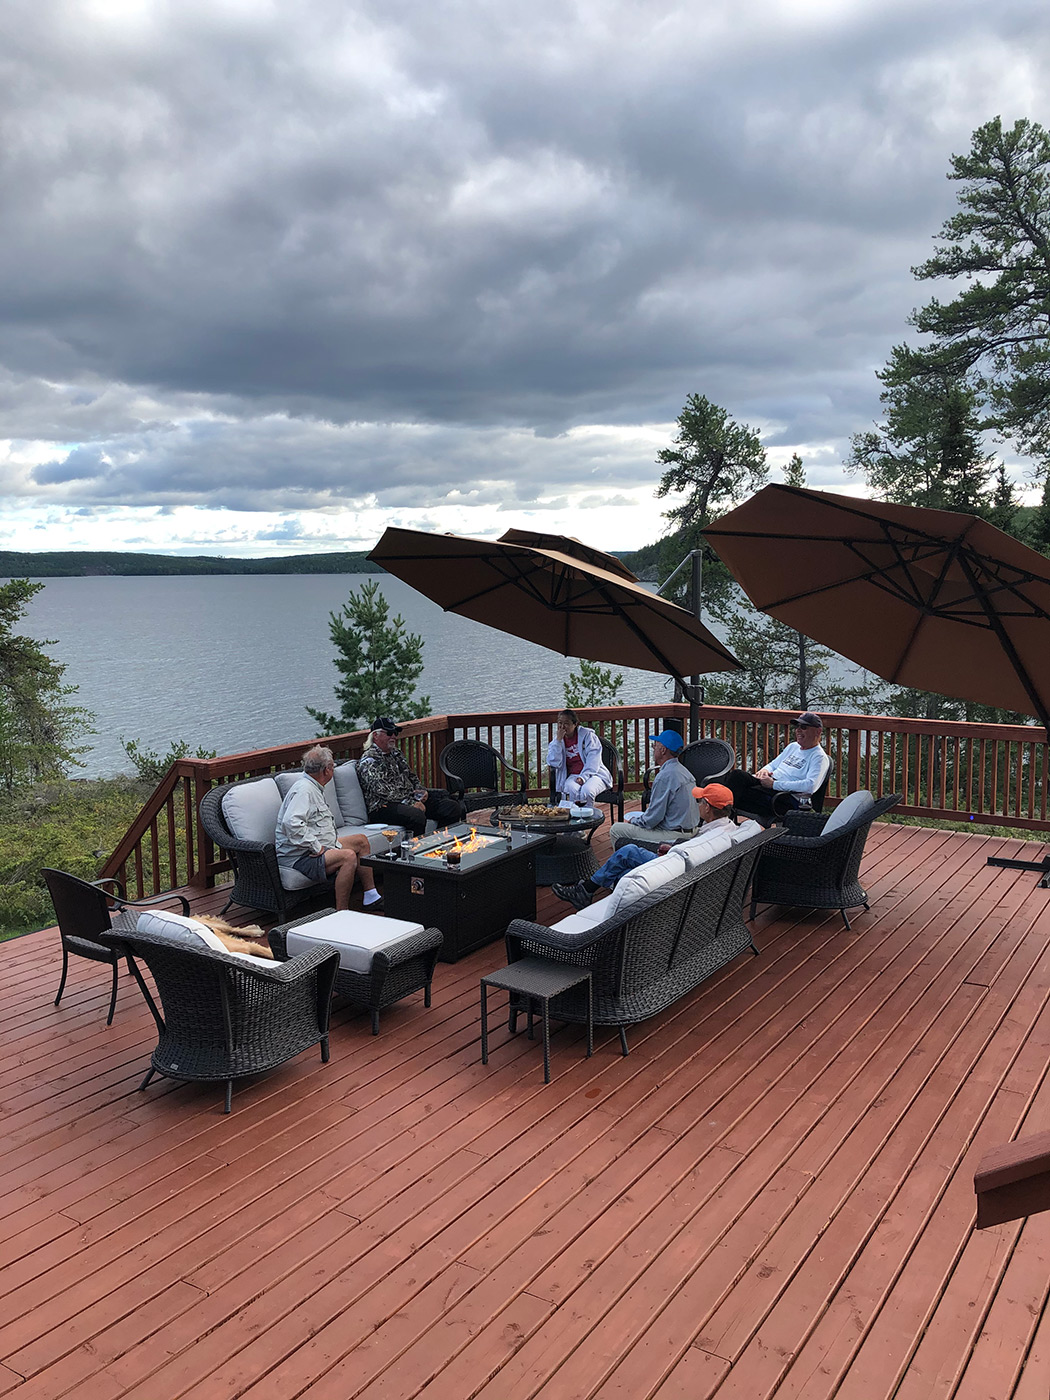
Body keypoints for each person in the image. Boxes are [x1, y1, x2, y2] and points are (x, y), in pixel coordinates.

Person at [553, 783, 761, 908]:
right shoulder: (730, 829)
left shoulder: (708, 835)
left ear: (707, 807)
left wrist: (672, 851)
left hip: (677, 877)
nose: (697, 805)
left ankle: (586, 890)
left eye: (700, 802)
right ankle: (599, 891)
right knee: (626, 862)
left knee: (627, 851)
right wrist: (673, 848)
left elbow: (692, 855)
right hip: (691, 870)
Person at [275, 745, 383, 912]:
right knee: (347, 856)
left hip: (319, 847)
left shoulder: (313, 786)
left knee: (361, 841)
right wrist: (316, 846)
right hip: (300, 857)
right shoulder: (304, 790)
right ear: (326, 770)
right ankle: (342, 912)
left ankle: (371, 897)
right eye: (333, 766)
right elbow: (291, 823)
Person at [356, 716, 466, 835]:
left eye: (395, 733)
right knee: (416, 815)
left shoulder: (396, 754)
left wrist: (421, 792)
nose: (393, 736)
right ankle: (416, 850)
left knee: (451, 807)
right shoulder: (369, 760)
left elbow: (411, 776)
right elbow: (384, 791)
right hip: (382, 807)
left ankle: (441, 843)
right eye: (389, 733)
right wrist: (411, 803)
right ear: (375, 735)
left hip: (407, 799)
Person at [722, 711, 830, 821]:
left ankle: (718, 817)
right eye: (797, 726)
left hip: (783, 798)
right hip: (769, 786)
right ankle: (720, 814)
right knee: (736, 777)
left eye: (804, 727)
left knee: (737, 793)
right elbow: (774, 764)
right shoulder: (793, 747)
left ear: (818, 731)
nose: (798, 730)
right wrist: (765, 770)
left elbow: (810, 786)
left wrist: (774, 784)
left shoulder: (819, 757)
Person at [608, 728, 698, 848]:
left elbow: (653, 819)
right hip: (691, 830)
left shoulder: (665, 776)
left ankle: (623, 864)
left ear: (663, 750)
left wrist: (634, 821)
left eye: (654, 746)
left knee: (616, 829)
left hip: (674, 835)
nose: (653, 749)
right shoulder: (685, 772)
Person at [546, 709, 613, 807]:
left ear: (575, 724)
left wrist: (583, 777)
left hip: (594, 774)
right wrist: (558, 741)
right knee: (570, 788)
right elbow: (553, 762)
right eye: (560, 723)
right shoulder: (557, 742)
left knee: (587, 791)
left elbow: (593, 760)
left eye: (566, 723)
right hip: (573, 776)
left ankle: (587, 818)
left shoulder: (588, 736)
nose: (562, 727)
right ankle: (575, 818)